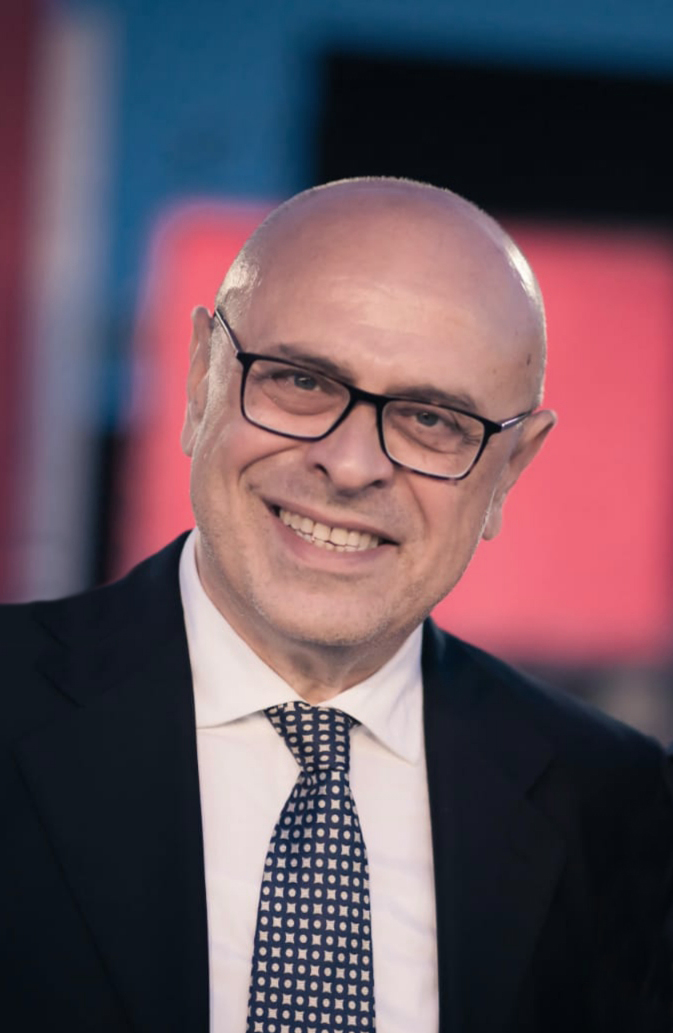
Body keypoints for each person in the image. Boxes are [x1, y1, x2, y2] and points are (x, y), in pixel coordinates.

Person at [2, 177, 672, 1033]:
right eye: (302, 381)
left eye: (432, 419)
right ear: (202, 378)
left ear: (508, 470)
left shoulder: (626, 811)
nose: (352, 465)